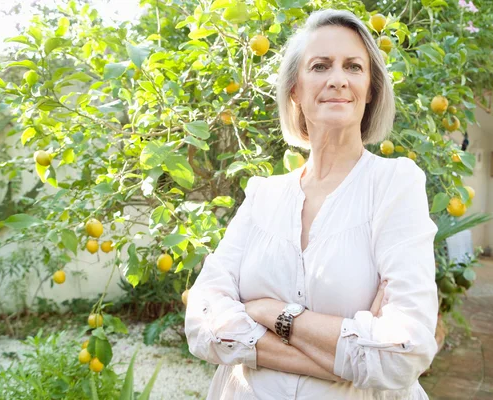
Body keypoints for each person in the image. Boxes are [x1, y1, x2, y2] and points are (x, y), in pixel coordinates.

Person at [184, 8, 439, 400]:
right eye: (320, 66)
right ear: (295, 90)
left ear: (370, 89)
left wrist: (268, 312)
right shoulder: (262, 195)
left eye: (354, 67)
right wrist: (351, 355)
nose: (338, 79)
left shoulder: (395, 185)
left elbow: (404, 352)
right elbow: (202, 323)